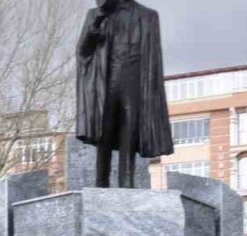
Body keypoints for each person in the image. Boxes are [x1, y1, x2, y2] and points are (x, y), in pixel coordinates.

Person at [75, 0, 174, 188]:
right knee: (105, 129)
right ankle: (101, 182)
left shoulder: (148, 16)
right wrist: (96, 23)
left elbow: (154, 59)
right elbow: (83, 51)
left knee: (130, 130)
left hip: (135, 81)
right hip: (107, 79)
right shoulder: (96, 14)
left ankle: (127, 183)